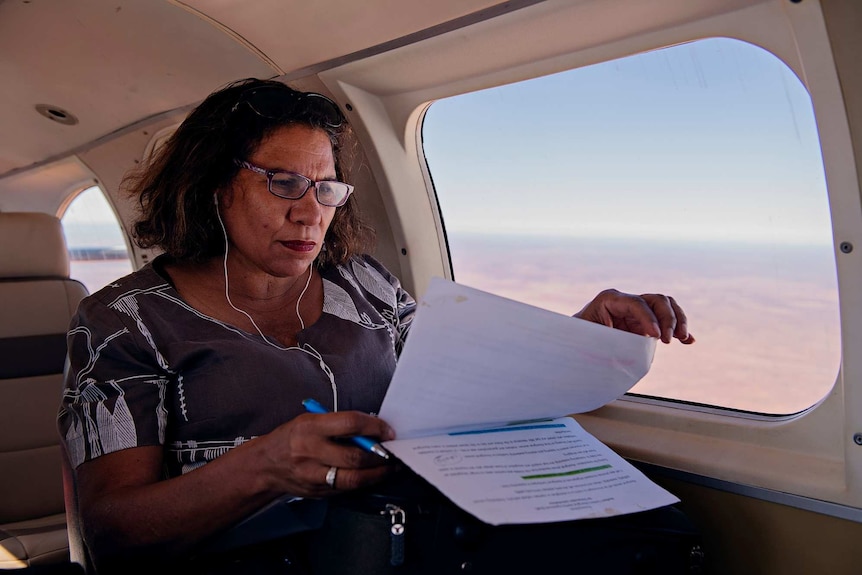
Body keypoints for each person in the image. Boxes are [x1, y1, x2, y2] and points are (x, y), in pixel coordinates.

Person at [57, 77, 695, 574]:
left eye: (327, 189)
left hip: (405, 551)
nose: (311, 213)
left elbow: (456, 389)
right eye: (283, 184)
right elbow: (115, 535)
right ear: (210, 185)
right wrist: (265, 466)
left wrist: (582, 335)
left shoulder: (362, 284)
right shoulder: (123, 321)